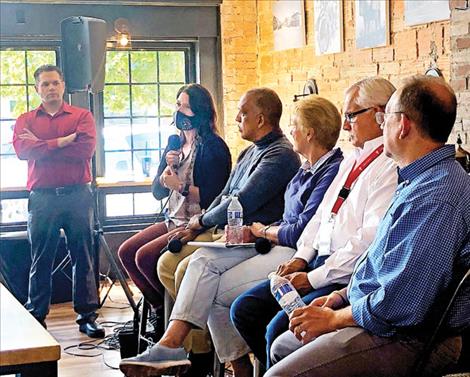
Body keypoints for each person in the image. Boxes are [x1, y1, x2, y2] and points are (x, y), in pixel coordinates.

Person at [266, 75, 470, 377]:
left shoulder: (436, 195)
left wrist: (335, 319)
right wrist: (341, 296)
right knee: (282, 344)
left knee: (278, 374)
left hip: (413, 337)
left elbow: (402, 304)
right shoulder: (418, 178)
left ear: (402, 125)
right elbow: (383, 264)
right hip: (386, 319)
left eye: (385, 117)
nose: (381, 125)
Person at [119, 87, 301, 377]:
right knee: (188, 261)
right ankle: (179, 347)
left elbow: (241, 201)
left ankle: (194, 352)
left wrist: (198, 223)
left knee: (187, 268)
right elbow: (225, 195)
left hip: (258, 240)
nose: (238, 118)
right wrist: (198, 223)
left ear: (262, 118)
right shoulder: (249, 151)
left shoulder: (280, 155)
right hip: (227, 233)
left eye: (243, 113)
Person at [231, 77, 398, 369]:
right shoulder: (352, 158)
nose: (345, 126)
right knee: (245, 308)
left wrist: (313, 278)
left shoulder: (389, 165)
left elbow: (366, 242)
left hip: (342, 274)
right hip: (317, 261)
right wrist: (301, 258)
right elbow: (321, 215)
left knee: (279, 330)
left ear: (380, 114)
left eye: (351, 116)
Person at [117, 84, 231, 315]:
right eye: (178, 104)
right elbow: (157, 191)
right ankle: (159, 308)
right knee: (126, 252)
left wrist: (180, 186)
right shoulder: (174, 143)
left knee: (145, 257)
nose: (180, 111)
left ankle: (173, 314)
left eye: (186, 106)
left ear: (199, 111)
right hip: (172, 218)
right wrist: (165, 172)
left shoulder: (213, 147)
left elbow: (215, 194)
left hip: (197, 222)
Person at [12, 64, 103, 337]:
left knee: (83, 257)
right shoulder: (25, 120)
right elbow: (22, 151)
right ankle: (36, 314)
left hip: (78, 195)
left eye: (55, 83)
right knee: (41, 258)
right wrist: (62, 142)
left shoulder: (82, 116)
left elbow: (84, 150)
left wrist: (43, 146)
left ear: (63, 85)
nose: (50, 88)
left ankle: (87, 316)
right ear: (37, 89)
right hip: (42, 198)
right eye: (45, 84)